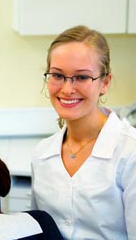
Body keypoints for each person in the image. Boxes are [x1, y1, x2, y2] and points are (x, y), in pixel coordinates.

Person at [31, 25, 136, 239]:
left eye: (81, 77)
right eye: (57, 75)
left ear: (105, 83)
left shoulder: (130, 152)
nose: (67, 89)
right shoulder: (42, 154)